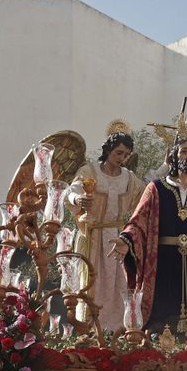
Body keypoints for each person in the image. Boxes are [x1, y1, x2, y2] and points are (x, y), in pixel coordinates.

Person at [112, 132, 187, 334]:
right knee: (162, 314)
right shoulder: (156, 188)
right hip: (163, 261)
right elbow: (138, 221)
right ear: (173, 157)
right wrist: (127, 239)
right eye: (183, 151)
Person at [65, 126, 147, 333]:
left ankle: (117, 331)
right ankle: (91, 330)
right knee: (93, 283)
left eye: (126, 155)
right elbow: (70, 191)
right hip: (92, 235)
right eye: (118, 153)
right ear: (108, 149)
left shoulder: (128, 178)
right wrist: (77, 199)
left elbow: (146, 194)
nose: (122, 158)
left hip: (117, 238)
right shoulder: (90, 171)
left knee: (118, 283)